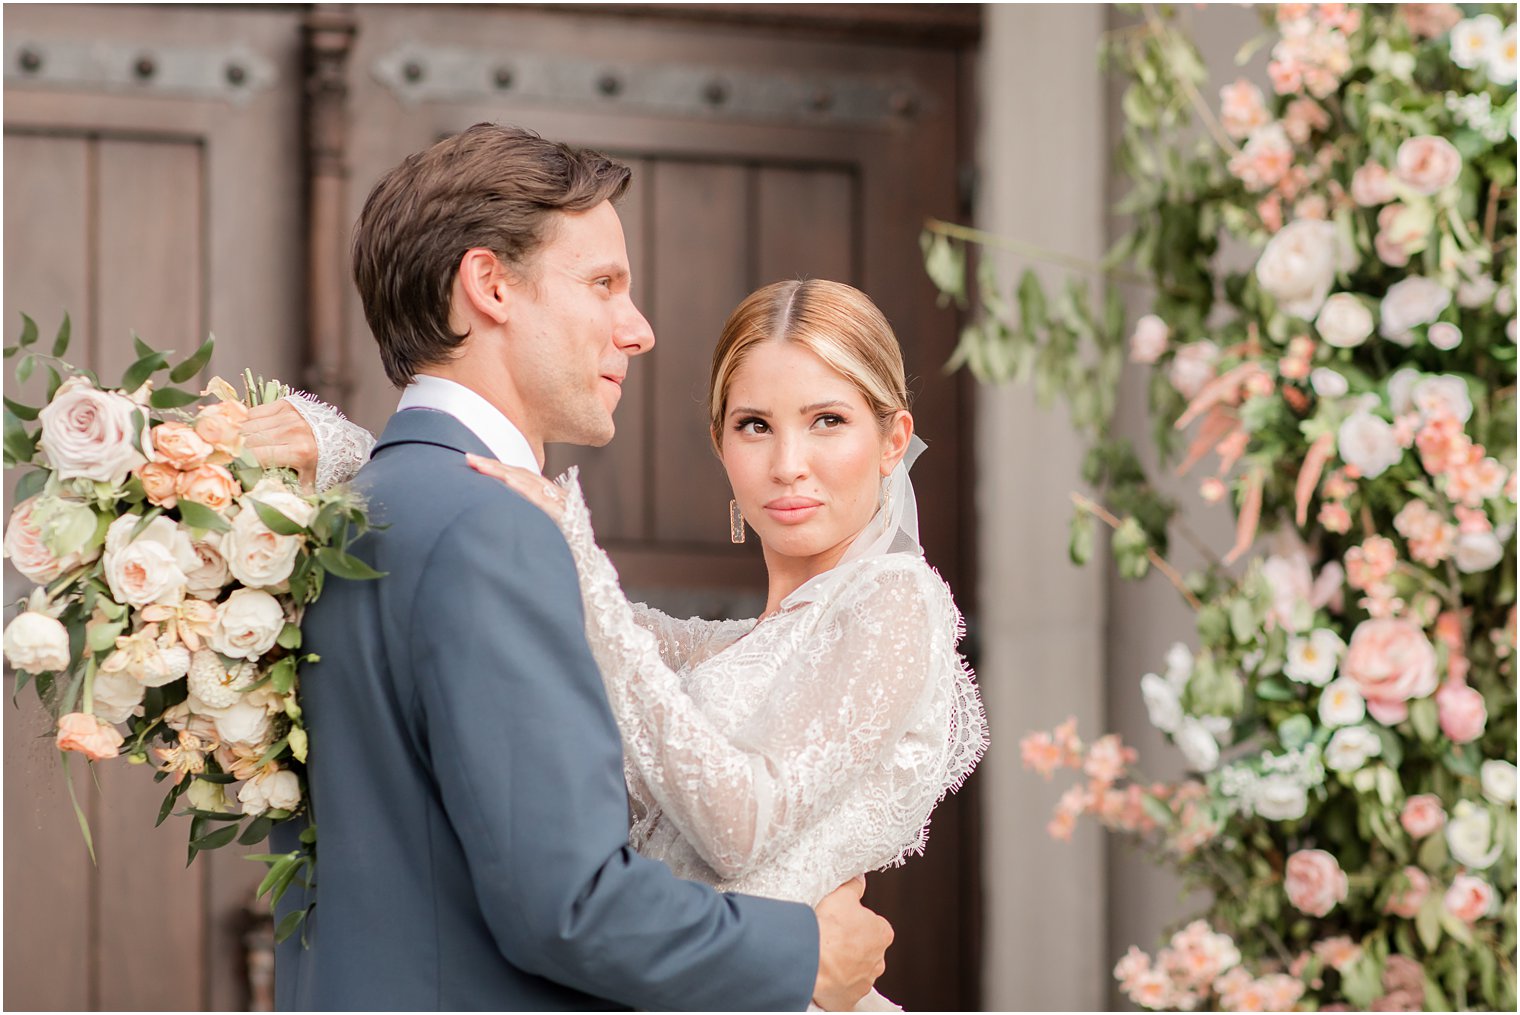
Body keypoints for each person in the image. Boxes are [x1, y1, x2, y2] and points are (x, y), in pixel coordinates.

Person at [253, 123, 892, 1012]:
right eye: (602, 285)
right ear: (491, 285)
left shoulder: (348, 507)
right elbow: (568, 904)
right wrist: (806, 956)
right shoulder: (491, 528)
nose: (639, 329)